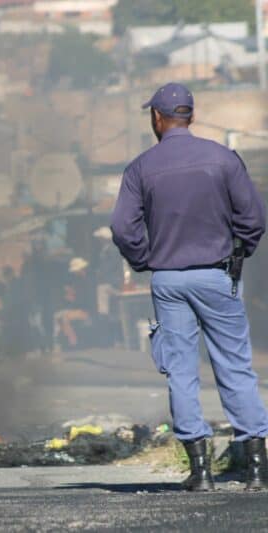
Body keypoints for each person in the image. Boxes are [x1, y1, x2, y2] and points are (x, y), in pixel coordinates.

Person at [111, 82, 268, 492]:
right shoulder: (224, 160)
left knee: (181, 371)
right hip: (217, 276)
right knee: (234, 366)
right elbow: (253, 217)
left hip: (168, 280)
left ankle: (200, 472)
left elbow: (122, 228)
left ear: (157, 119)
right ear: (192, 116)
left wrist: (145, 259)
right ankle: (255, 467)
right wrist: (240, 251)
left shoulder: (140, 168)